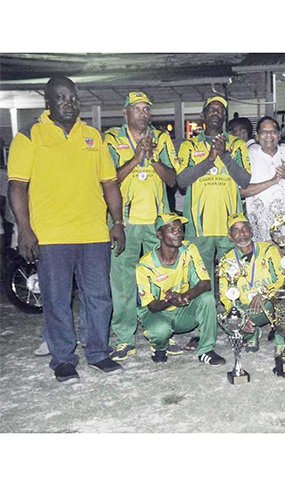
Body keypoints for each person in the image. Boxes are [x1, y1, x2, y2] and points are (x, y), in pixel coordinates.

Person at [8, 75, 125, 382]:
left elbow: (109, 183)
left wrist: (118, 223)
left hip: (94, 233)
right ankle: (63, 359)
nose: (69, 103)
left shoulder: (93, 136)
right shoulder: (29, 135)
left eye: (73, 98)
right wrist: (25, 229)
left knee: (99, 297)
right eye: (61, 98)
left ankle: (98, 352)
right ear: (48, 101)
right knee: (57, 298)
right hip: (52, 235)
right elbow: (17, 186)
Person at [104, 91, 179, 361]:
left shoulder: (161, 138)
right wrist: (136, 158)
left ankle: (162, 335)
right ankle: (125, 339)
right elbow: (107, 179)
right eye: (137, 109)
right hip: (124, 222)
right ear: (125, 113)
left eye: (147, 109)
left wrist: (154, 159)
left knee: (161, 281)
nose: (143, 113)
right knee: (123, 284)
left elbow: (173, 181)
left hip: (157, 223)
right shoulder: (112, 138)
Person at [175, 95, 251, 283]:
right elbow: (182, 181)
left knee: (234, 279)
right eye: (212, 109)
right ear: (203, 114)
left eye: (221, 110)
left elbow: (245, 180)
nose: (216, 113)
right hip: (199, 227)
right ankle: (206, 313)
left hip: (231, 226)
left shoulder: (237, 144)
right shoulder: (189, 145)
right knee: (202, 281)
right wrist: (209, 160)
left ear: (225, 116)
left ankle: (234, 311)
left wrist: (224, 155)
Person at [136, 213, 225, 365]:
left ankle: (206, 350)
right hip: (160, 313)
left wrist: (185, 296)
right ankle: (160, 346)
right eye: (171, 229)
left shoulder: (189, 249)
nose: (178, 232)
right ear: (159, 234)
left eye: (180, 229)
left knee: (208, 298)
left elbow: (205, 283)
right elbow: (152, 306)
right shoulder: (145, 265)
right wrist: (171, 300)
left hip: (184, 308)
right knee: (158, 332)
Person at [243, 116, 285, 281]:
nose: (268, 136)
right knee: (267, 277)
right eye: (264, 132)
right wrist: (272, 181)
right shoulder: (247, 156)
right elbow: (240, 192)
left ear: (279, 135)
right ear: (257, 136)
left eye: (272, 131)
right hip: (262, 231)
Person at [217, 213, 285, 353]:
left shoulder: (268, 250)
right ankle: (251, 334)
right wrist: (237, 317)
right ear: (230, 236)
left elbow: (282, 278)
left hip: (268, 303)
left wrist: (264, 293)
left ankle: (281, 341)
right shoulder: (226, 260)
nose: (241, 233)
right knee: (228, 322)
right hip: (246, 309)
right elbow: (225, 295)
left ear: (251, 231)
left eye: (244, 228)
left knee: (284, 299)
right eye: (235, 230)